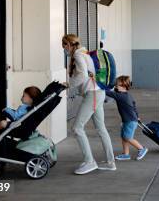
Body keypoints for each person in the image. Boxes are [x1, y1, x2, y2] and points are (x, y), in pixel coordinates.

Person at [63, 34, 116, 175]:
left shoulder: (79, 56)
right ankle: (110, 162)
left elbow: (82, 76)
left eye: (64, 47)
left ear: (69, 45)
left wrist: (68, 85)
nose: (64, 50)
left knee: (77, 128)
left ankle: (89, 161)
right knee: (101, 128)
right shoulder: (84, 53)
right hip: (97, 93)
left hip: (93, 94)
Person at [106, 75, 148, 161]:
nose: (115, 86)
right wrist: (137, 116)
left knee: (128, 138)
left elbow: (107, 92)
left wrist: (98, 85)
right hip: (130, 120)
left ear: (123, 86)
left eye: (117, 85)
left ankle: (141, 148)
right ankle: (126, 154)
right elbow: (134, 105)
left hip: (130, 121)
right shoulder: (128, 95)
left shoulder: (120, 96)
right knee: (124, 137)